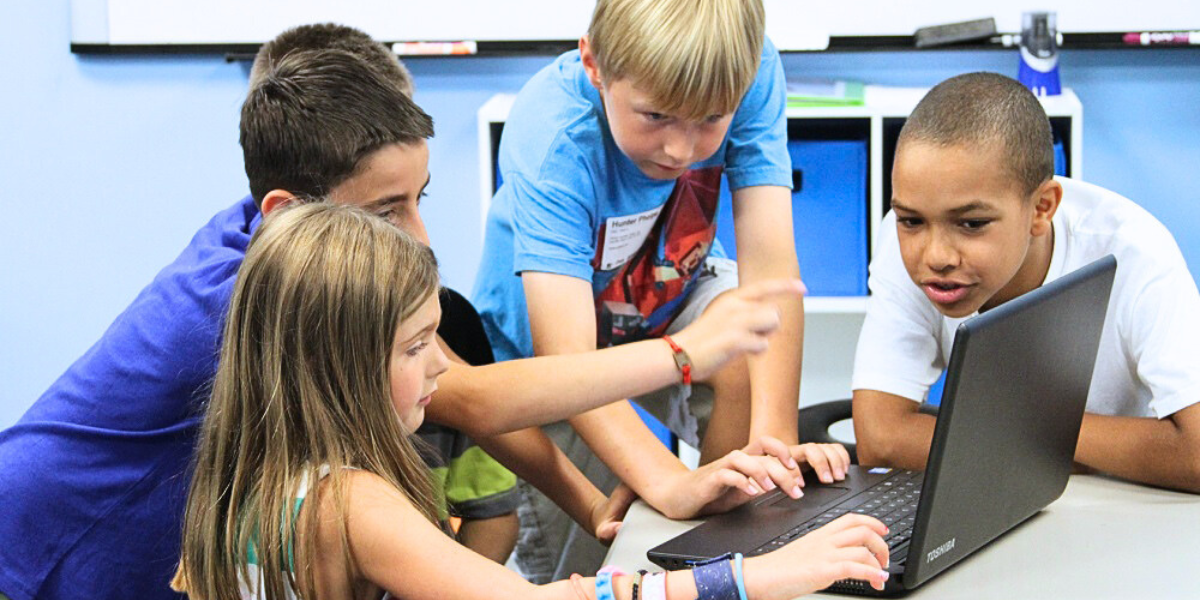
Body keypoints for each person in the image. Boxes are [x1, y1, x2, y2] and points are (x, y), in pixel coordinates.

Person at [0, 35, 822, 600]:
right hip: (51, 546)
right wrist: (683, 355)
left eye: (418, 199)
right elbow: (473, 399)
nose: (420, 236)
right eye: (388, 209)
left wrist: (585, 499)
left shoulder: (284, 264)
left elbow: (449, 390)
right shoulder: (267, 316)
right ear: (292, 212)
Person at [171, 201, 891, 600]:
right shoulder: (353, 505)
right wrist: (762, 575)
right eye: (417, 346)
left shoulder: (239, 483)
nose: (439, 367)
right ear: (343, 362)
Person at [472, 0, 845, 581]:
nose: (681, 149)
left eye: (710, 121)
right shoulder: (554, 136)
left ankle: (719, 558)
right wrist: (668, 483)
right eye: (655, 117)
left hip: (667, 290)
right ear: (595, 65)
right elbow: (569, 361)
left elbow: (771, 273)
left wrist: (775, 446)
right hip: (551, 352)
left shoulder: (746, 69)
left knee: (747, 356)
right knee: (600, 555)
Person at [850, 72, 1200, 494]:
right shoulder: (906, 234)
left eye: (972, 224)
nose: (936, 256)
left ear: (1041, 208)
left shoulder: (1134, 253)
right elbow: (882, 441)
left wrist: (1026, 429)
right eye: (911, 221)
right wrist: (1067, 449)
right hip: (1000, 498)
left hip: (1129, 508)